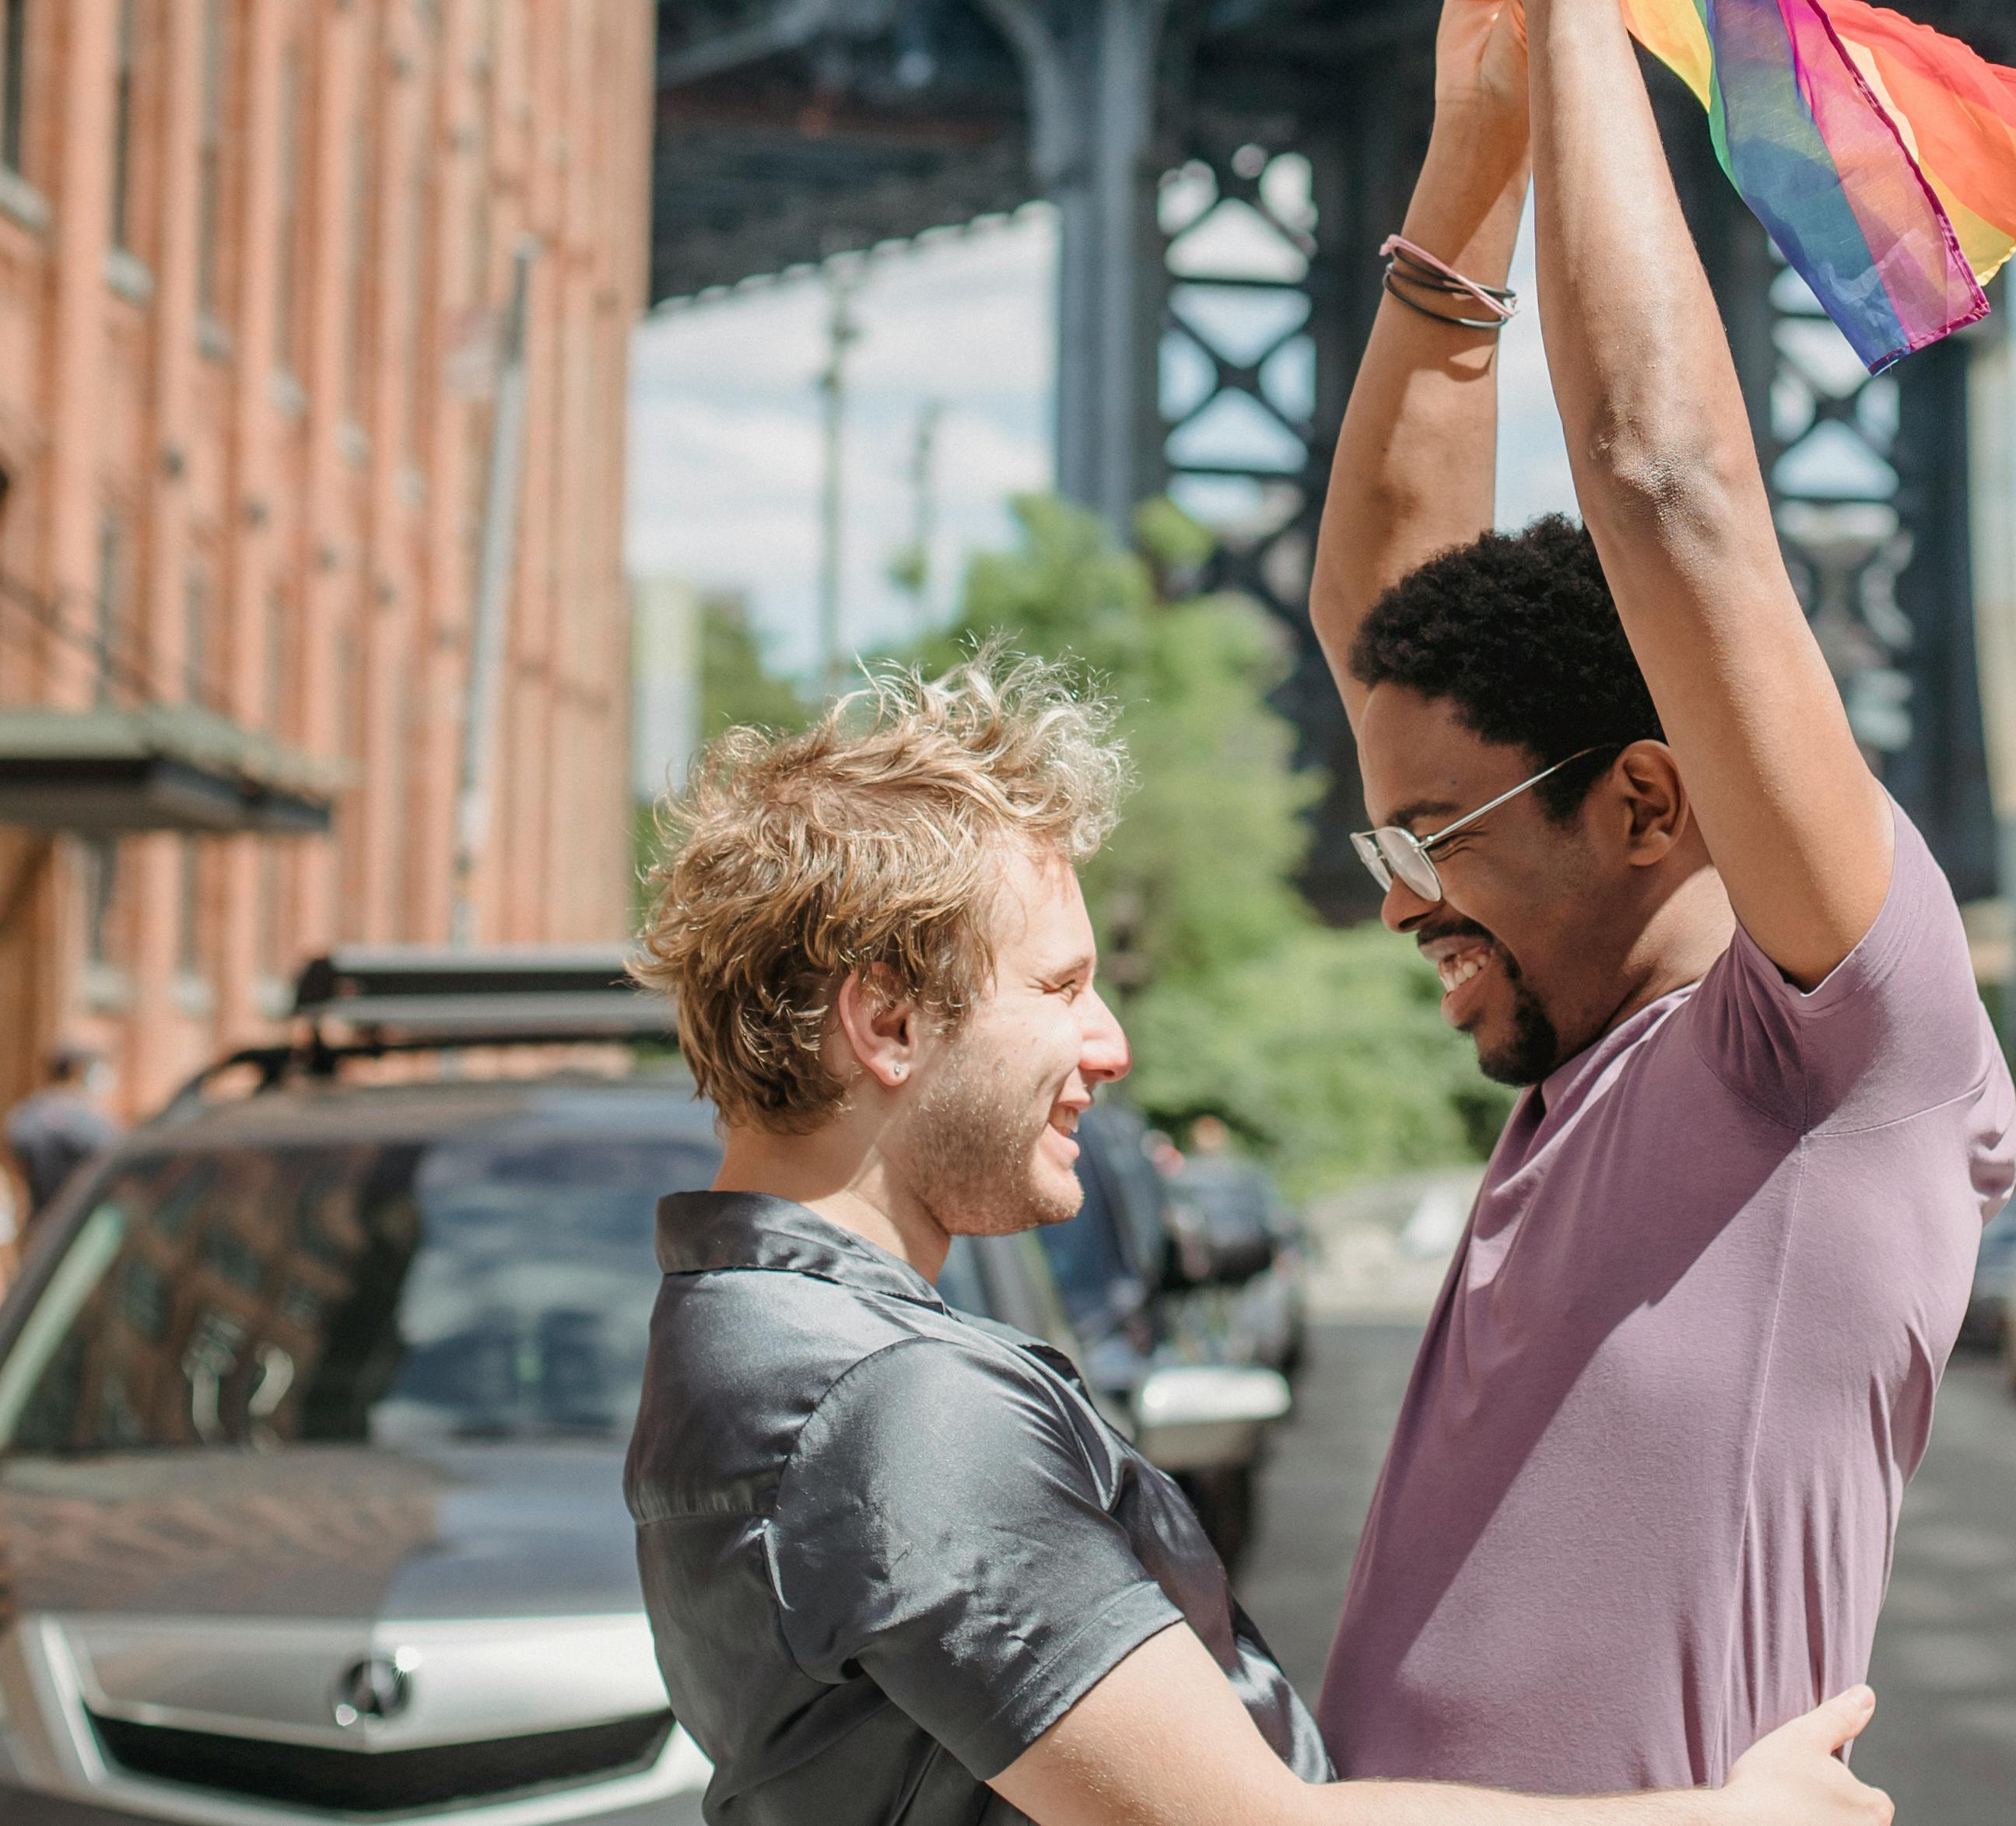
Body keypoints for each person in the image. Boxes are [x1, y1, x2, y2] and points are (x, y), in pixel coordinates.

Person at [625, 657, 1892, 1826]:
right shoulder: (892, 1405)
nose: (1113, 1046)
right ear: (887, 1024)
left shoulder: (734, 1332)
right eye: (1062, 989)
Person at [1310, 0, 2016, 1798]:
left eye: (1429, 844)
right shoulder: (1569, 1059)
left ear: (1645, 802)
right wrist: (1476, 146)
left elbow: (1672, 487)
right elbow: (1378, 598)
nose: (1389, 896)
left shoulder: (1838, 1049)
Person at [5, 1039, 116, 1223]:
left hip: (39, 1223)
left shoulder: (26, 1115)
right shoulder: (90, 1121)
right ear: (78, 1070)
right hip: (79, 1225)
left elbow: (15, 1172)